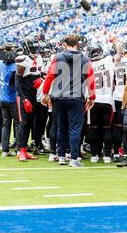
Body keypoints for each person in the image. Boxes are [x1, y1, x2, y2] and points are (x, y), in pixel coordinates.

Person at [42, 34, 96, 167]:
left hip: (59, 97)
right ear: (77, 44)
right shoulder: (85, 58)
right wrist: (92, 97)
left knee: (61, 127)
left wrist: (45, 93)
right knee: (75, 129)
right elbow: (91, 79)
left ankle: (60, 156)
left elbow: (49, 76)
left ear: (65, 44)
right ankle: (73, 158)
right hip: (76, 97)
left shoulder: (58, 57)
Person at [86, 43, 115, 164]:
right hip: (108, 100)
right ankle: (107, 155)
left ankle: (94, 155)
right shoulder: (108, 60)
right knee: (107, 129)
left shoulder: (88, 65)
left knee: (94, 129)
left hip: (93, 100)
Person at [0, 43, 18, 157]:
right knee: (18, 123)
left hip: (2, 97)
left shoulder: (1, 64)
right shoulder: (14, 67)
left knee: (6, 124)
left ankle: (4, 150)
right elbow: (14, 83)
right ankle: (19, 149)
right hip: (12, 98)